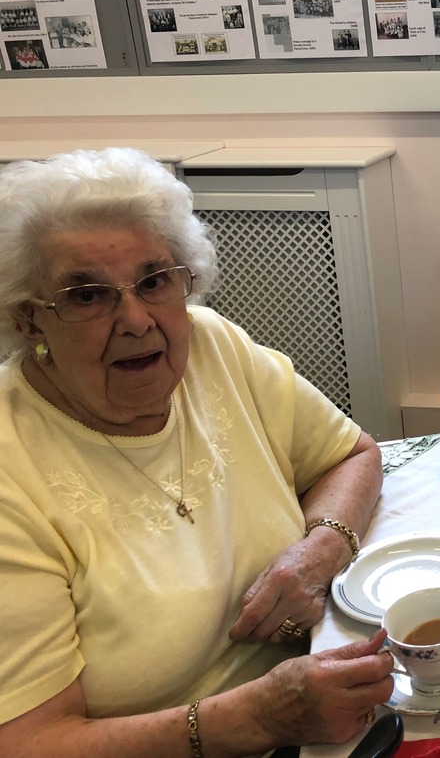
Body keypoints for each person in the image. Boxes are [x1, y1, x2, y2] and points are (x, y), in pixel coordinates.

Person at [0, 149, 394, 755]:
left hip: (325, 704)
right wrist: (261, 717)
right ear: (29, 320)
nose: (136, 320)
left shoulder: (214, 347)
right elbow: (30, 742)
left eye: (155, 281)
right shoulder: (11, 470)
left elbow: (352, 454)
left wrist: (321, 548)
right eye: (87, 295)